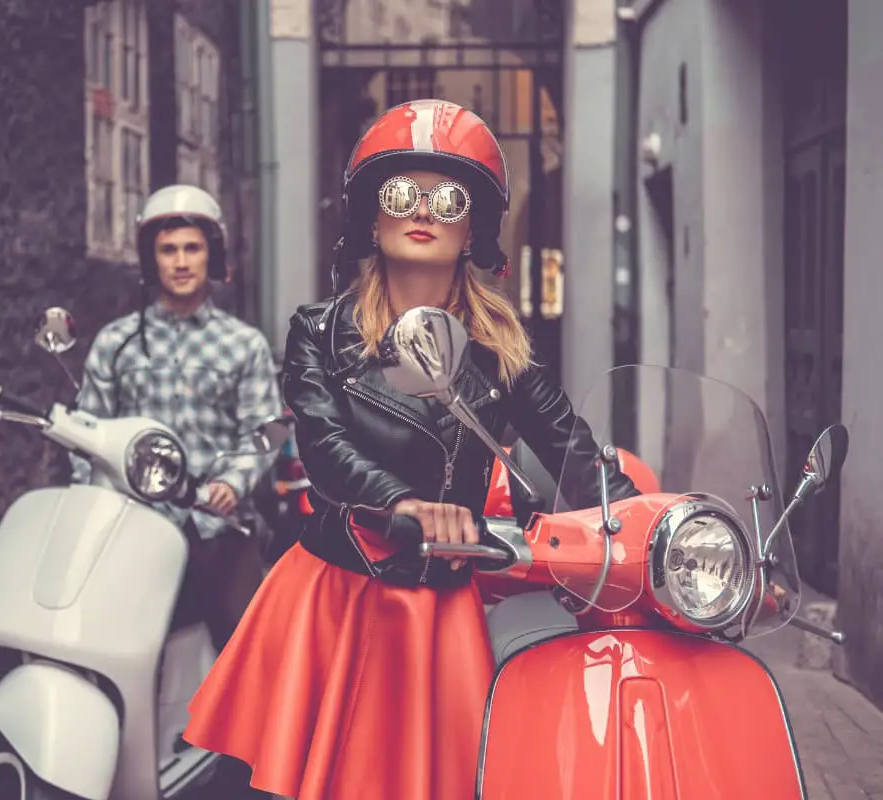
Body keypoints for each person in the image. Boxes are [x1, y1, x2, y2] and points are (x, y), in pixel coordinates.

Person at [181, 99, 639, 800]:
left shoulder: (501, 347)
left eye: (448, 198)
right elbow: (323, 444)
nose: (422, 210)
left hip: (440, 600)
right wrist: (406, 504)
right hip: (341, 589)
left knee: (449, 780)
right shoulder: (319, 332)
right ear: (372, 216)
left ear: (473, 230)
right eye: (400, 194)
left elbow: (571, 443)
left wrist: (659, 528)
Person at [70, 184, 282, 652]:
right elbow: (87, 433)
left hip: (219, 528)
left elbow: (267, 428)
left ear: (212, 256)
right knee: (122, 651)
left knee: (248, 658)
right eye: (168, 250)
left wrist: (233, 481)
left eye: (192, 248)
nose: (181, 261)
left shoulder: (243, 343)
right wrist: (94, 505)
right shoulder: (116, 342)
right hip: (137, 528)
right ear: (152, 260)